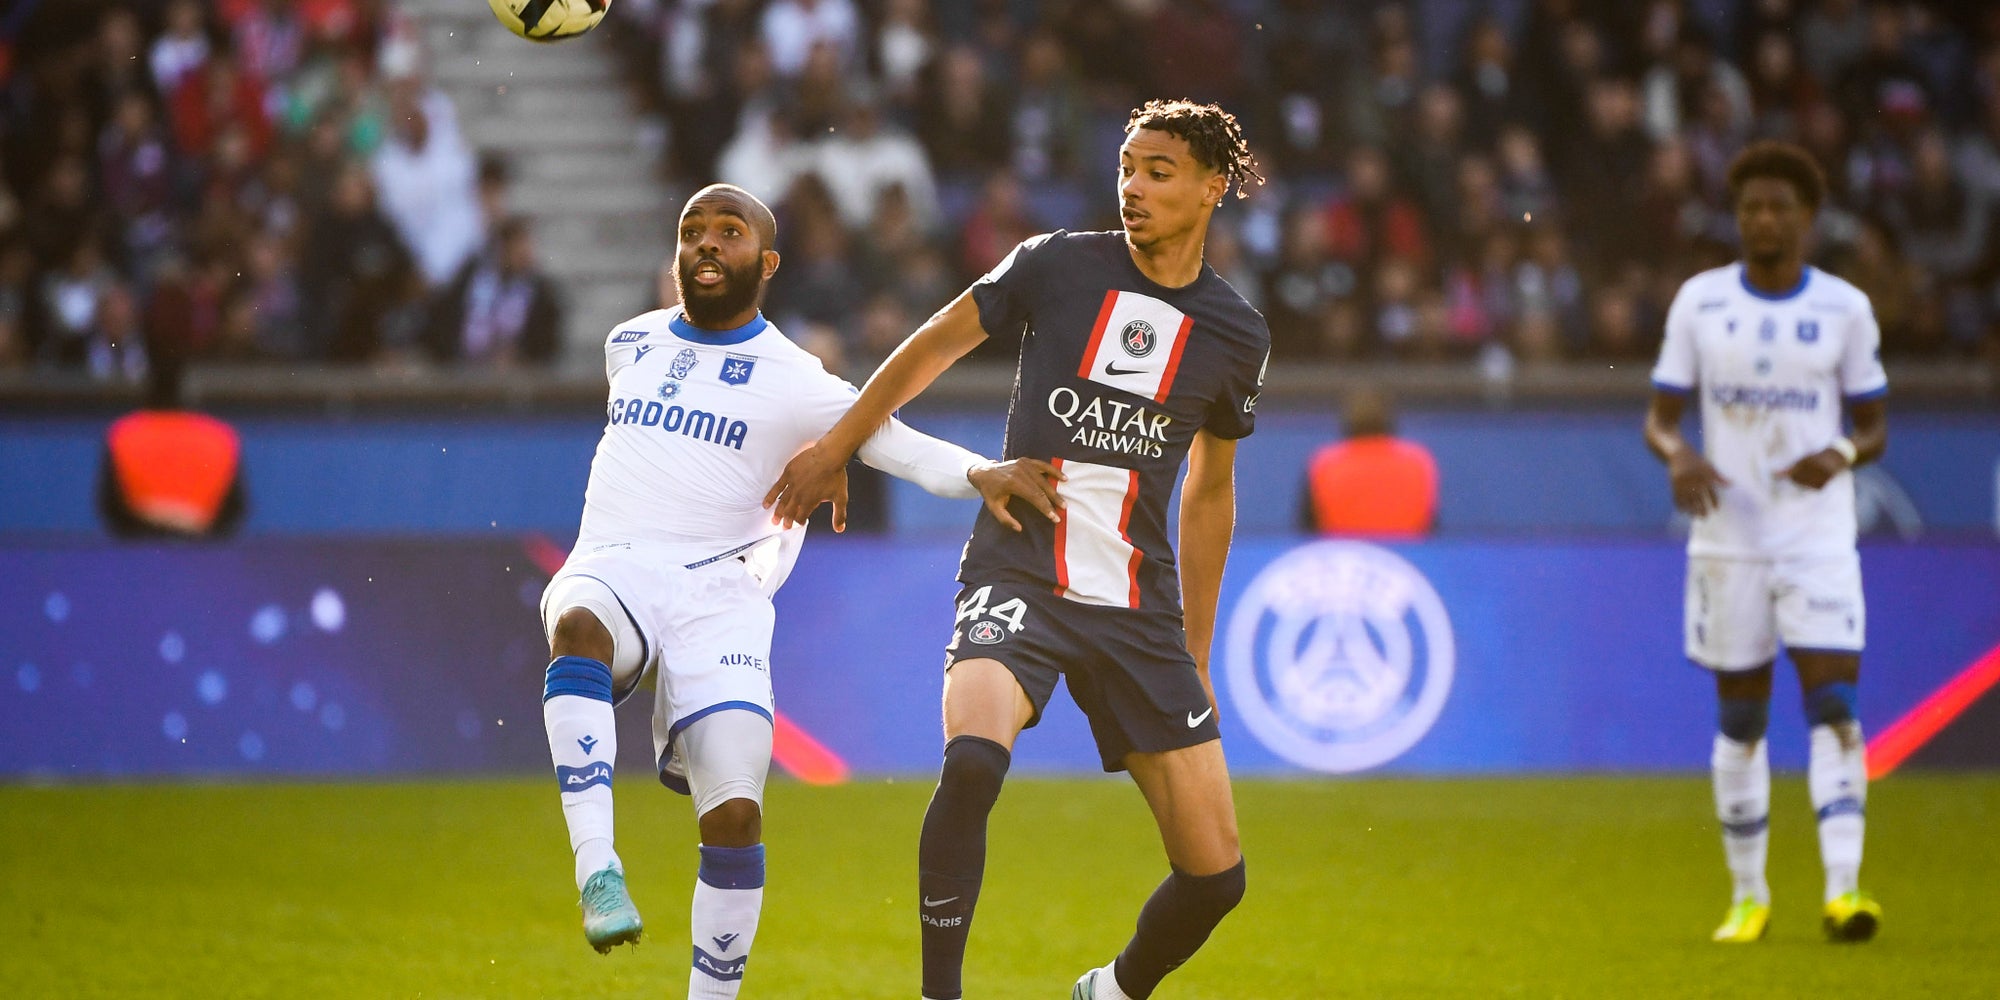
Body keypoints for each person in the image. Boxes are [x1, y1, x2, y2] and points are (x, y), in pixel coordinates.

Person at [767, 99, 1268, 1000]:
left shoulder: (1235, 333)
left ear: (1211, 187)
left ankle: (1109, 991)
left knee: (1216, 877)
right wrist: (837, 446)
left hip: (1135, 603)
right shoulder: (1057, 265)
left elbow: (1212, 492)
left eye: (1159, 171)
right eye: (1127, 167)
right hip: (1022, 567)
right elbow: (931, 347)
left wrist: (1193, 648)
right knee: (970, 761)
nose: (1135, 187)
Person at [537, 183, 1058, 1000]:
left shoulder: (793, 377)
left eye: (730, 232)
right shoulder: (627, 344)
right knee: (577, 626)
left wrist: (979, 471)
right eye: (692, 231)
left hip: (722, 595)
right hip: (616, 561)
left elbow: (890, 441)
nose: (707, 244)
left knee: (737, 816)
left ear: (767, 262)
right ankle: (598, 868)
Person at [1643, 141, 1888, 946]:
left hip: (1816, 537)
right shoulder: (1700, 303)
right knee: (1742, 718)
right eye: (1751, 207)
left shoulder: (1845, 309)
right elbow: (1661, 416)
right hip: (1729, 540)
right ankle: (1748, 898)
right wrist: (1678, 455)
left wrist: (1843, 453)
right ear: (1738, 217)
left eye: (1780, 206)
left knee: (1834, 707)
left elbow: (1874, 422)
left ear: (1809, 219)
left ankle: (1844, 891)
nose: (1764, 219)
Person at [98, 345, 246, 539]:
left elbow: (110, 506)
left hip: (140, 551)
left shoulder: (123, 433)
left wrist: (154, 520)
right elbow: (234, 509)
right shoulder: (220, 437)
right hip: (201, 553)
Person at [1301, 387, 1437, 536]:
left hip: (1344, 555)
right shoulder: (1418, 462)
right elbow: (1431, 528)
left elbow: (1308, 529)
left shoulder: (1325, 464)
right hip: (1408, 556)